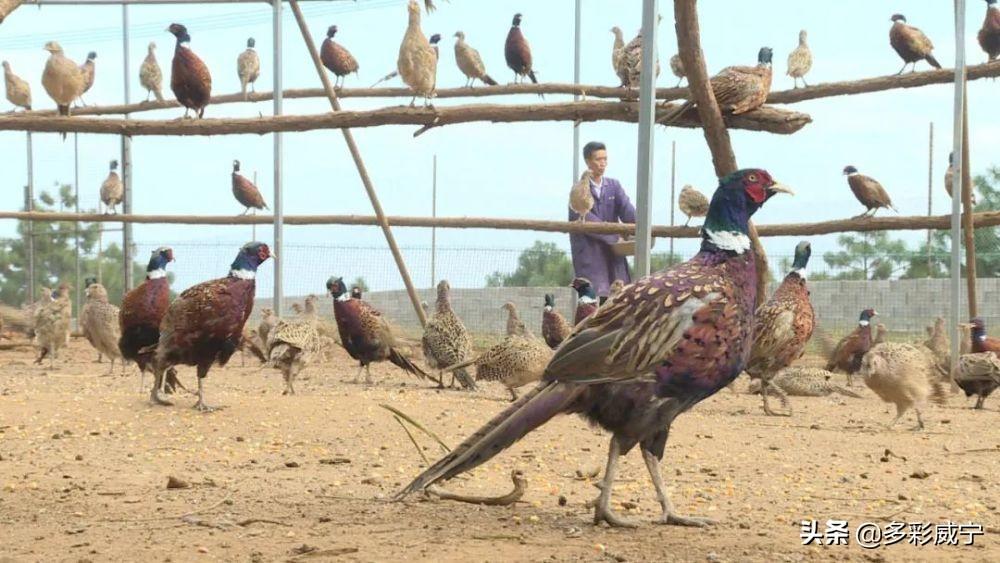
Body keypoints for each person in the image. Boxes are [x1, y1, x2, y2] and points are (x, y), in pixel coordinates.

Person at [568, 141, 637, 301]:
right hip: (590, 253)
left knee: (614, 299)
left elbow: (627, 210)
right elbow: (586, 220)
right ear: (587, 161)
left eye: (605, 159)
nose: (603, 163)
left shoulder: (613, 186)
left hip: (613, 254)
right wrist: (614, 236)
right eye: (598, 159)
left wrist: (640, 225)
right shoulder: (578, 190)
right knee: (589, 302)